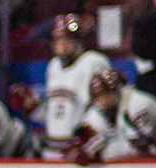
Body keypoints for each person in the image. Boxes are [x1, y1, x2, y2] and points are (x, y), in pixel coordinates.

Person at [67, 66, 156, 162]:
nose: (103, 101)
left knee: (154, 151)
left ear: (118, 90)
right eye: (98, 97)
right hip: (146, 141)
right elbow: (87, 139)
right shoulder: (97, 110)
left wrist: (100, 153)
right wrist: (84, 148)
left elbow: (137, 149)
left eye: (107, 94)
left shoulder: (136, 103)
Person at [42, 14, 110, 156]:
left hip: (83, 148)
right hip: (52, 148)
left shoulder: (93, 62)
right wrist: (33, 106)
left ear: (79, 41)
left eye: (68, 40)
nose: (62, 45)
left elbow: (106, 106)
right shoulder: (53, 66)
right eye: (58, 40)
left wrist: (89, 138)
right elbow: (55, 112)